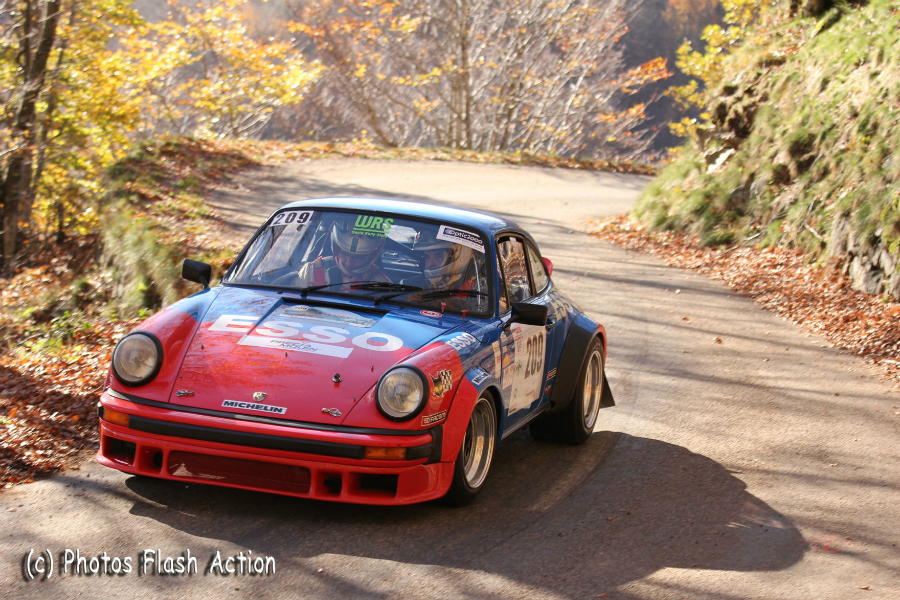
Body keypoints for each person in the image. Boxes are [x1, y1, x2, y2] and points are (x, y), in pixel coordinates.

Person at [290, 218, 390, 290]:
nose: (348, 262)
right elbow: (290, 304)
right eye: (345, 254)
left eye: (357, 257)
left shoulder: (380, 282)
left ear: (370, 256)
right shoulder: (311, 271)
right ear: (337, 249)